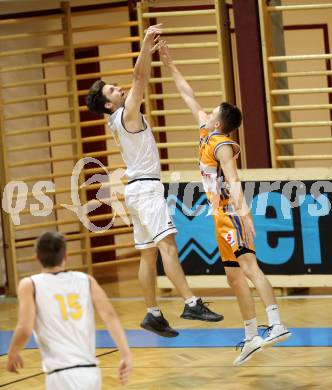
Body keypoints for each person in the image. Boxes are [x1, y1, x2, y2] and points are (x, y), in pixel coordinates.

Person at [159, 40, 291, 365]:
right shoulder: (206, 132)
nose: (206, 113)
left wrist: (245, 215)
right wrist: (169, 62)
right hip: (220, 216)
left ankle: (276, 323)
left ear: (218, 123)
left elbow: (233, 180)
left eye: (213, 112)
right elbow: (188, 96)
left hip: (231, 213)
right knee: (233, 278)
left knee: (248, 267)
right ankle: (251, 336)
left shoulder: (221, 145)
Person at [86, 24, 223, 338]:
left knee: (147, 253)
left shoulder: (117, 119)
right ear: (108, 104)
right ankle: (191, 302)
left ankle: (152, 314)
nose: (118, 89)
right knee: (168, 246)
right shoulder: (125, 115)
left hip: (136, 191)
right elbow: (139, 79)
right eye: (111, 91)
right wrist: (146, 46)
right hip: (145, 189)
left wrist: (150, 52)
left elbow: (136, 80)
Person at [6, 231, 132, 389]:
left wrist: (12, 353)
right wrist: (126, 354)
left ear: (37, 258)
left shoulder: (30, 284)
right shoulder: (86, 280)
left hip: (61, 376)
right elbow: (110, 315)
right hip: (91, 374)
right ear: (66, 256)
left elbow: (25, 328)